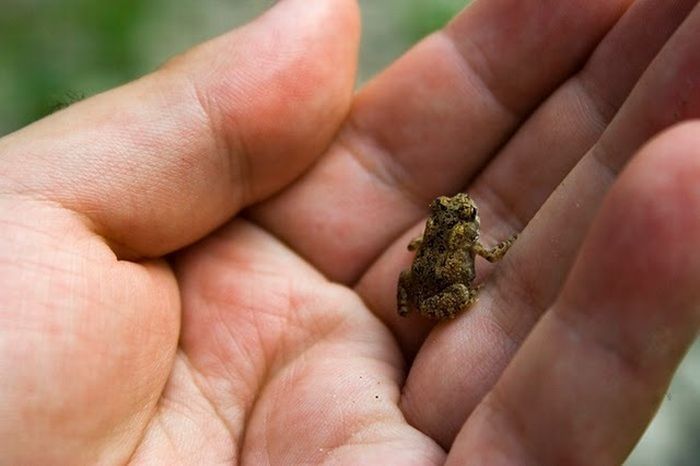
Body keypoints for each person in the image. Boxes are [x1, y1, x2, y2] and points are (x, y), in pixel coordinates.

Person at [1, 0, 699, 463]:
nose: (467, 217)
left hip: (418, 283)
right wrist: (496, 263)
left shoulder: (438, 235)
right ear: (455, 219)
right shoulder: (463, 238)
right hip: (438, 287)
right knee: (459, 289)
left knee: (427, 279)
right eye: (461, 213)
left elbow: (431, 257)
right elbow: (480, 256)